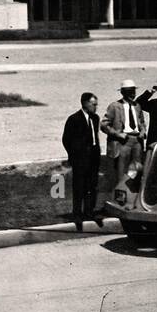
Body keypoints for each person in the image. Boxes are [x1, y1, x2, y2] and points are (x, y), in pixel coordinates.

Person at [61, 92, 104, 231]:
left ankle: (89, 212)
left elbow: (95, 137)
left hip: (93, 159)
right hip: (80, 160)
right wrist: (74, 156)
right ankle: (77, 214)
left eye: (96, 105)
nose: (95, 107)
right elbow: (66, 139)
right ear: (85, 103)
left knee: (92, 186)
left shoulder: (96, 118)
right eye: (93, 104)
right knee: (79, 186)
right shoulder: (74, 119)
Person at [101, 78, 149, 188]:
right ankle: (120, 197)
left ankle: (134, 198)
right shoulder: (114, 106)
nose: (132, 94)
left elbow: (141, 122)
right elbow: (104, 125)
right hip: (123, 142)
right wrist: (118, 134)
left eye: (133, 91)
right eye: (129, 91)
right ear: (122, 92)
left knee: (137, 170)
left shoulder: (137, 106)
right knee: (122, 173)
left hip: (137, 142)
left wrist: (143, 131)